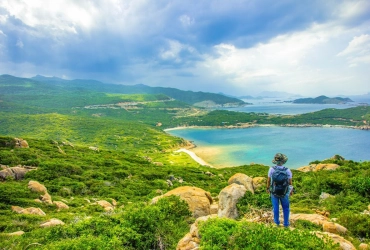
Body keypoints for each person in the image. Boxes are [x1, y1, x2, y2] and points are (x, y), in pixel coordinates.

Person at [266, 153, 293, 227]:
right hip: (285, 192)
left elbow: (268, 180)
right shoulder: (287, 170)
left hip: (274, 191)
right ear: (283, 161)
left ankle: (276, 223)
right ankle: (286, 224)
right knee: (286, 208)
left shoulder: (271, 169)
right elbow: (290, 182)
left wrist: (268, 188)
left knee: (275, 207)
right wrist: (291, 191)